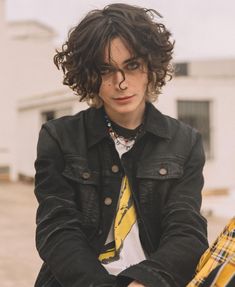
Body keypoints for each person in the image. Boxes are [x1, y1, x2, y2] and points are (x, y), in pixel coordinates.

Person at [34, 3, 208, 287]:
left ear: (151, 66)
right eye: (105, 70)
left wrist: (143, 281)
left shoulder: (185, 141)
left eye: (132, 65)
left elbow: (187, 231)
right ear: (89, 75)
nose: (121, 82)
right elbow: (57, 229)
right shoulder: (59, 137)